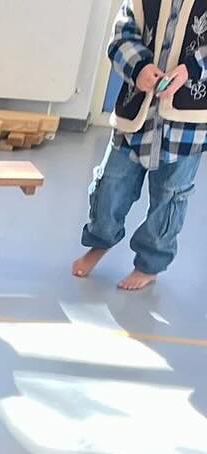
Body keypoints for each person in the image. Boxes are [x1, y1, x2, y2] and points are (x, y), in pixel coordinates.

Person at [74, 0, 207, 293]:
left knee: (170, 197)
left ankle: (149, 264)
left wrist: (190, 69)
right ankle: (101, 239)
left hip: (188, 123)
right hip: (136, 111)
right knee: (111, 184)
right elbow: (123, 32)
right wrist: (139, 67)